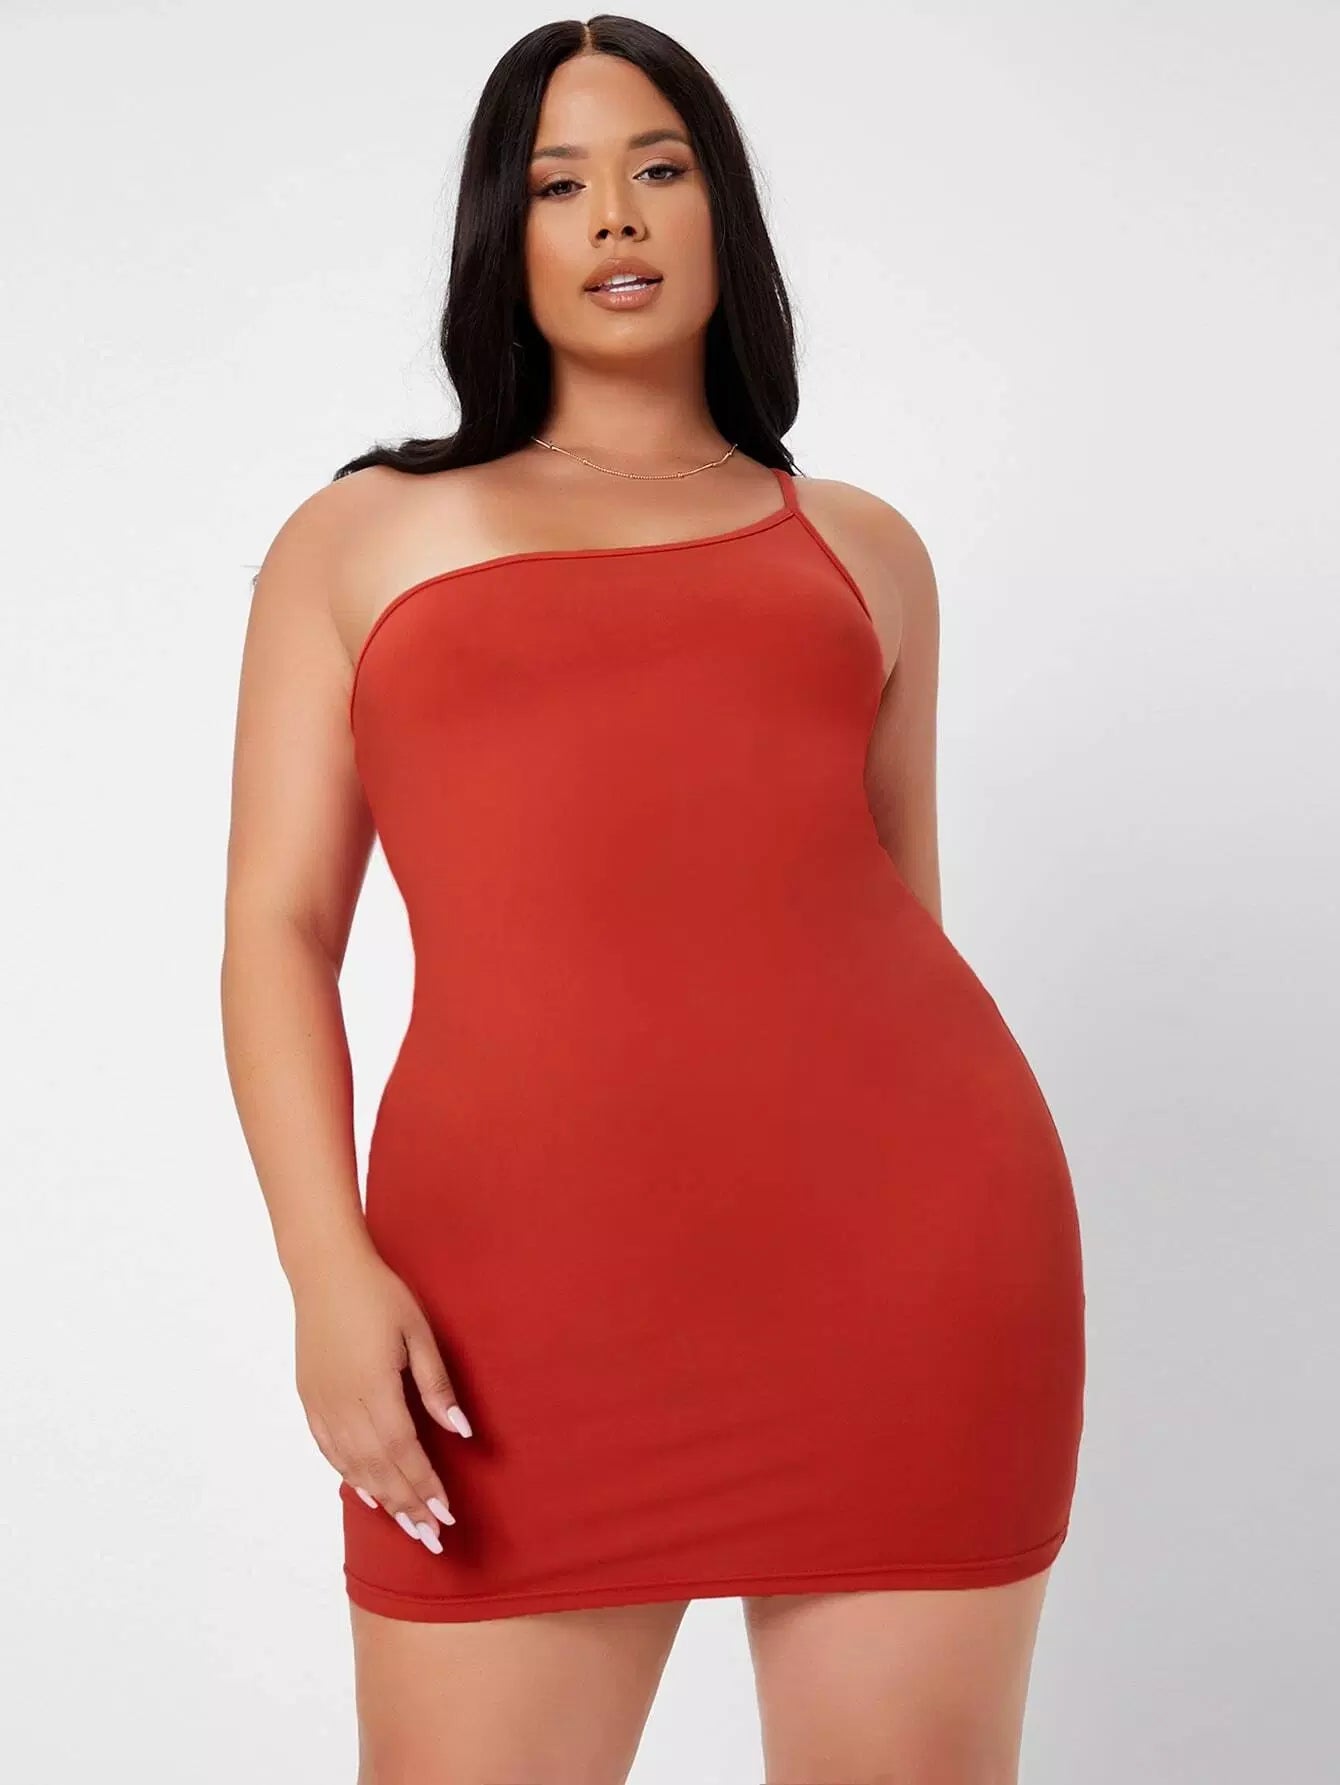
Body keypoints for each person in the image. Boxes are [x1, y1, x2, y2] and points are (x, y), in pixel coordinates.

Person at [221, 15, 1086, 1782]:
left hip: (903, 1264)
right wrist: (324, 1268)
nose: (614, 214)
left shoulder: (861, 546)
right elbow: (278, 929)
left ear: (719, 210)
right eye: (559, 183)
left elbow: (896, 911)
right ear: (505, 235)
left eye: (658, 168)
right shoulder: (363, 536)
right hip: (507, 1307)